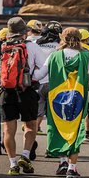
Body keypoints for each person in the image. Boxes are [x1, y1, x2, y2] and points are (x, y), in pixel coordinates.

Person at [33, 27, 89, 178]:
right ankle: (72, 168)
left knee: (58, 129)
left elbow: (39, 75)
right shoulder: (85, 55)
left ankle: (62, 163)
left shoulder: (54, 55)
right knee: (74, 131)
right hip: (77, 98)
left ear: (63, 38)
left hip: (56, 99)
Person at [0, 17, 47, 175]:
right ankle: (25, 155)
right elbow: (43, 70)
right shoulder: (32, 47)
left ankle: (12, 164)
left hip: (6, 91)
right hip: (26, 91)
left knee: (8, 130)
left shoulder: (0, 46)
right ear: (25, 32)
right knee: (30, 125)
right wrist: (33, 77)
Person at [37, 21, 63, 159]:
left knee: (36, 116)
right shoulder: (60, 47)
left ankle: (29, 147)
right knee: (53, 119)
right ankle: (51, 148)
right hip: (55, 85)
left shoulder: (36, 44)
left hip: (38, 83)